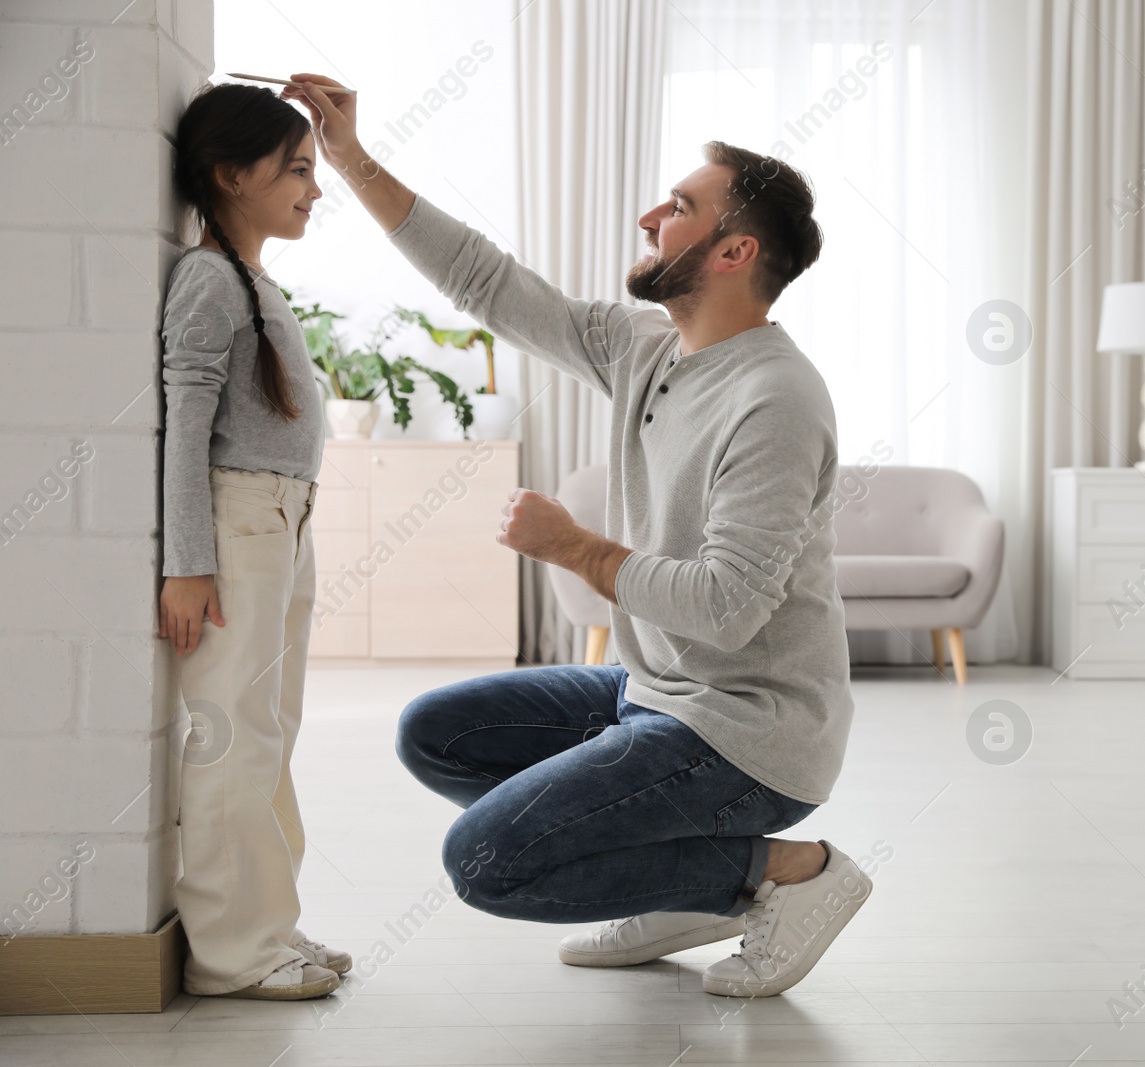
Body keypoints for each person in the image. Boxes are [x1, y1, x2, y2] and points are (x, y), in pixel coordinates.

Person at [281, 72, 869, 997]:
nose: (650, 217)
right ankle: (692, 884)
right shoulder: (645, 346)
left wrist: (576, 548)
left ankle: (787, 873)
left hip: (747, 732)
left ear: (733, 250)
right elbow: (485, 278)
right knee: (437, 734)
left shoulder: (776, 400)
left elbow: (726, 609)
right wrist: (348, 156)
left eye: (680, 206)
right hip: (658, 691)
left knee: (487, 862)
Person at [159, 83, 349, 1001]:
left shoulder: (248, 276)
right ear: (231, 175)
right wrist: (187, 563)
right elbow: (185, 425)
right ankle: (233, 952)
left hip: (280, 521)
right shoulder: (205, 279)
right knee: (234, 733)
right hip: (239, 525)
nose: (315, 188)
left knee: (270, 727)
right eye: (297, 169)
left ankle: (269, 925)